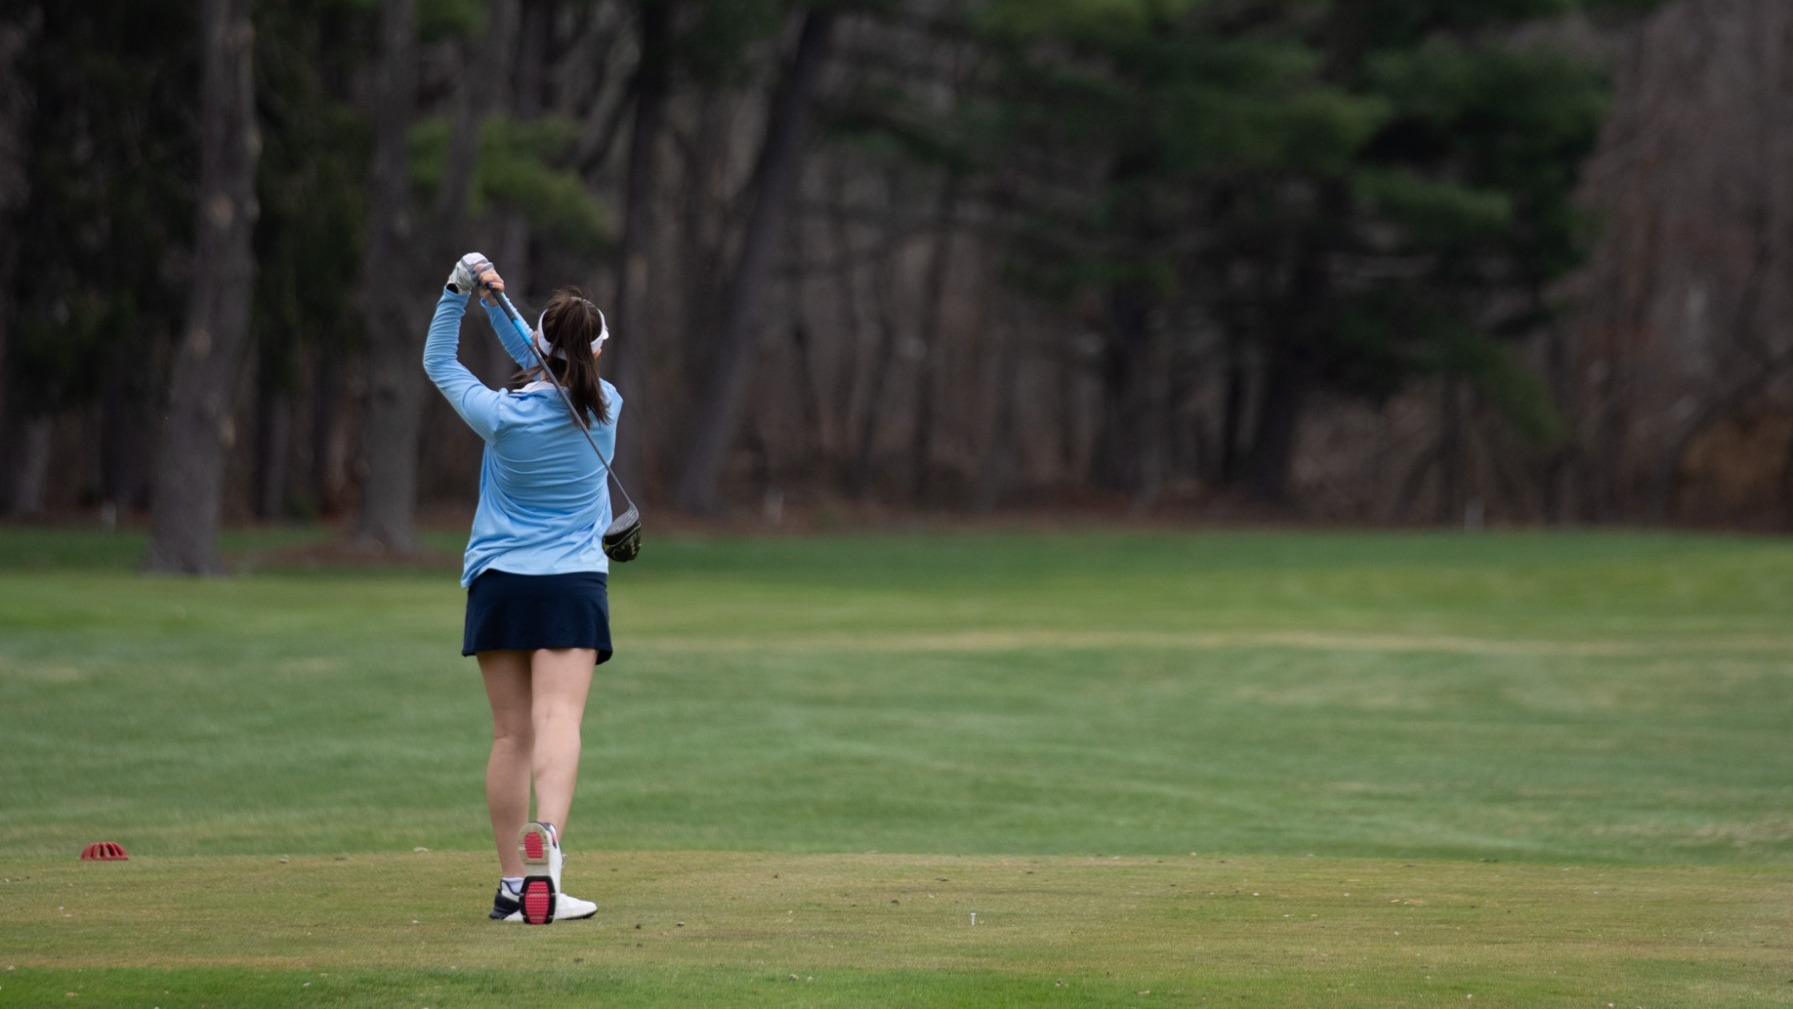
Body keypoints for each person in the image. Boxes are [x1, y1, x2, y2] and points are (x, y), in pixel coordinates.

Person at [423, 252, 622, 924]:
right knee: (558, 720)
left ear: (541, 344)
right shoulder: (607, 408)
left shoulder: (500, 415)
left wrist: (458, 294)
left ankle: (514, 885)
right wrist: (496, 307)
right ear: (599, 349)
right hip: (572, 583)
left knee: (511, 737)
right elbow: (556, 362)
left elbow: (440, 364)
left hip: (500, 582)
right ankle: (551, 841)